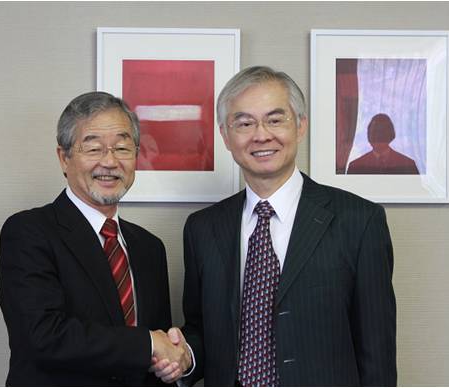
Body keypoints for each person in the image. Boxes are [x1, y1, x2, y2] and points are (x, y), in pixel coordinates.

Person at [154, 66, 396, 386]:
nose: (261, 134)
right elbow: (202, 330)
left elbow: (376, 352)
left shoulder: (359, 221)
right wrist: (185, 356)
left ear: (300, 126)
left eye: (275, 119)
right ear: (226, 135)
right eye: (244, 123)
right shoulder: (202, 229)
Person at [0, 91, 190, 386]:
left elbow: (156, 355)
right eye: (94, 148)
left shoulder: (149, 248)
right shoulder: (28, 232)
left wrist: (171, 364)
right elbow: (43, 336)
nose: (110, 161)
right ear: (64, 158)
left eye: (122, 148)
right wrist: (148, 343)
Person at [347, 113, 419, 174]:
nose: (377, 137)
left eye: (381, 132)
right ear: (368, 135)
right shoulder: (355, 167)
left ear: (391, 134)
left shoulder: (408, 166)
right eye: (374, 132)